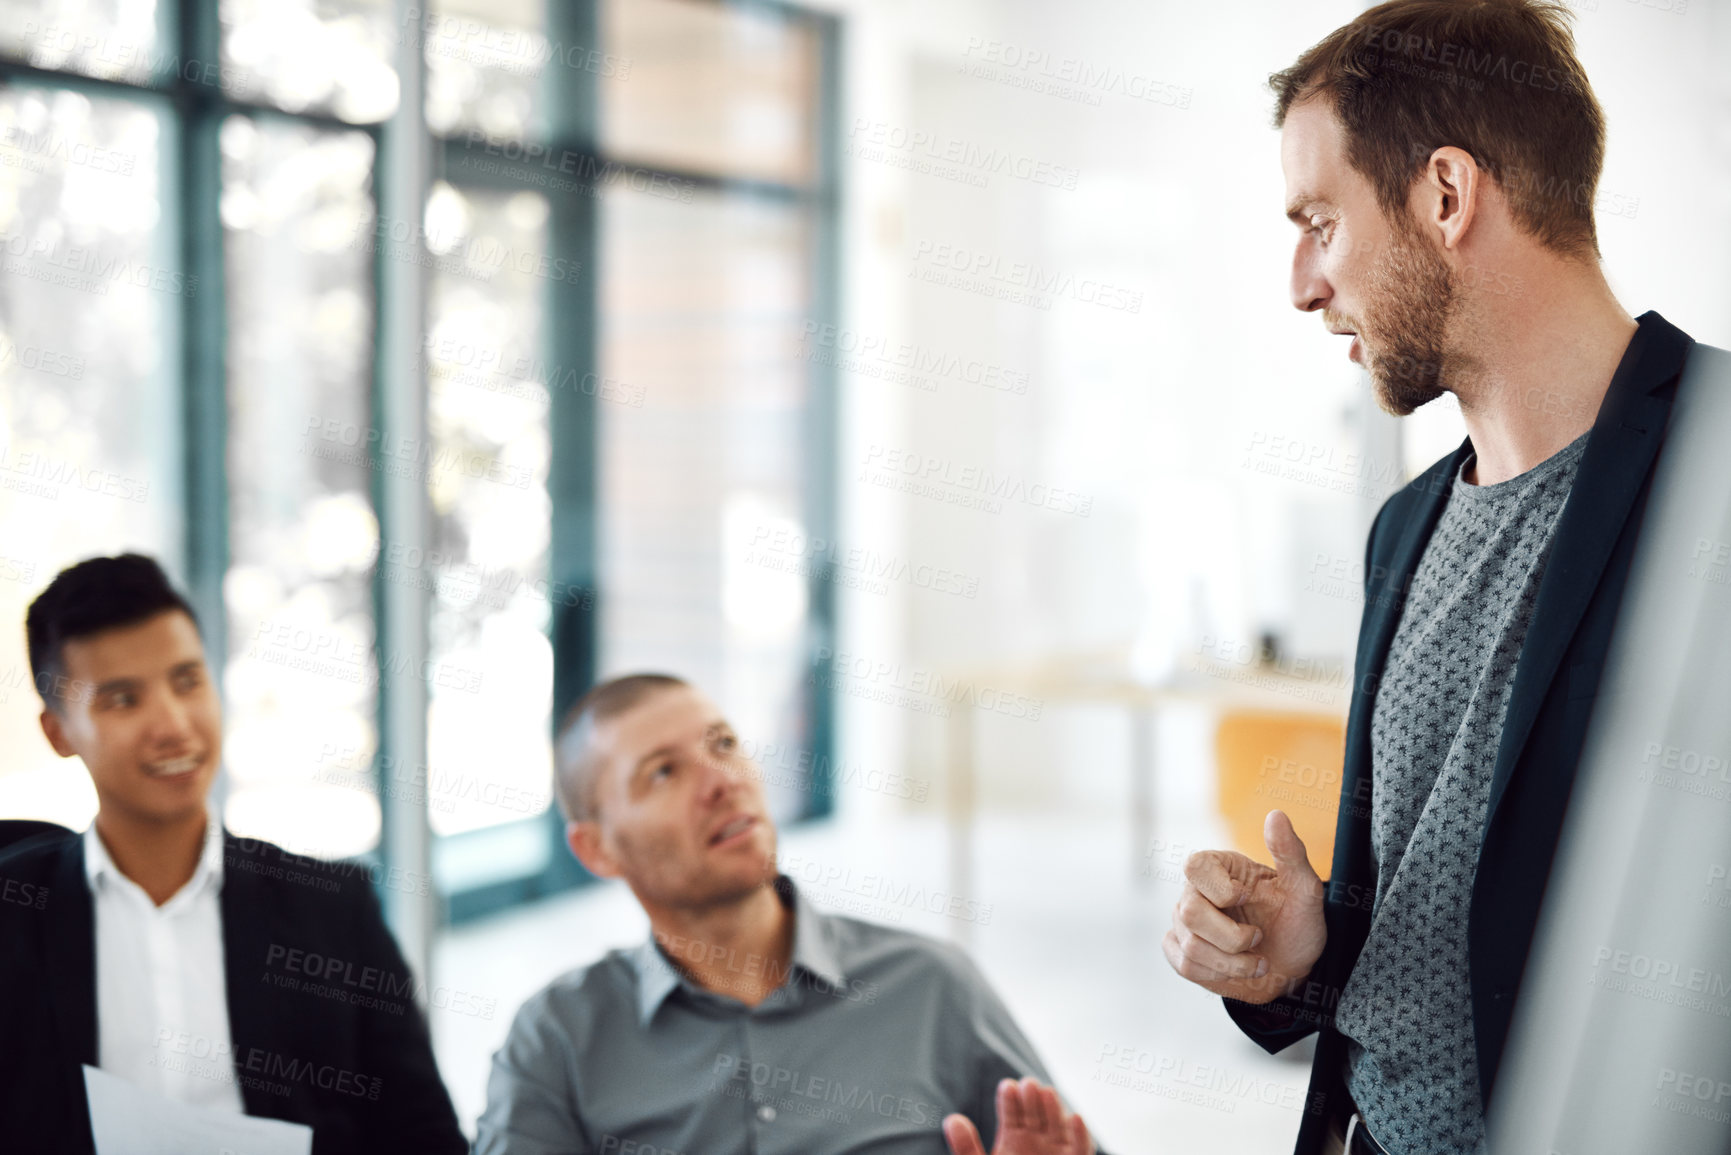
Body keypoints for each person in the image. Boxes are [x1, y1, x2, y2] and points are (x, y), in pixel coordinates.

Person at [1161, 2, 1725, 1154]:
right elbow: (1444, 905)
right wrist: (1300, 965)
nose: (1302, 285)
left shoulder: (1718, 467)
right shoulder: (1404, 529)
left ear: (1447, 196)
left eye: (1321, 221)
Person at [474, 673, 1095, 1155]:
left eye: (723, 744)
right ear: (597, 848)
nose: (721, 780)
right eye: (664, 772)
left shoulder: (933, 988)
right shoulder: (557, 1039)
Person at [0, 553, 468, 1155]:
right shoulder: (14, 913)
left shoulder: (331, 911)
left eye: (187, 681)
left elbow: (423, 1134)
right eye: (123, 700)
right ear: (58, 733)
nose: (172, 724)